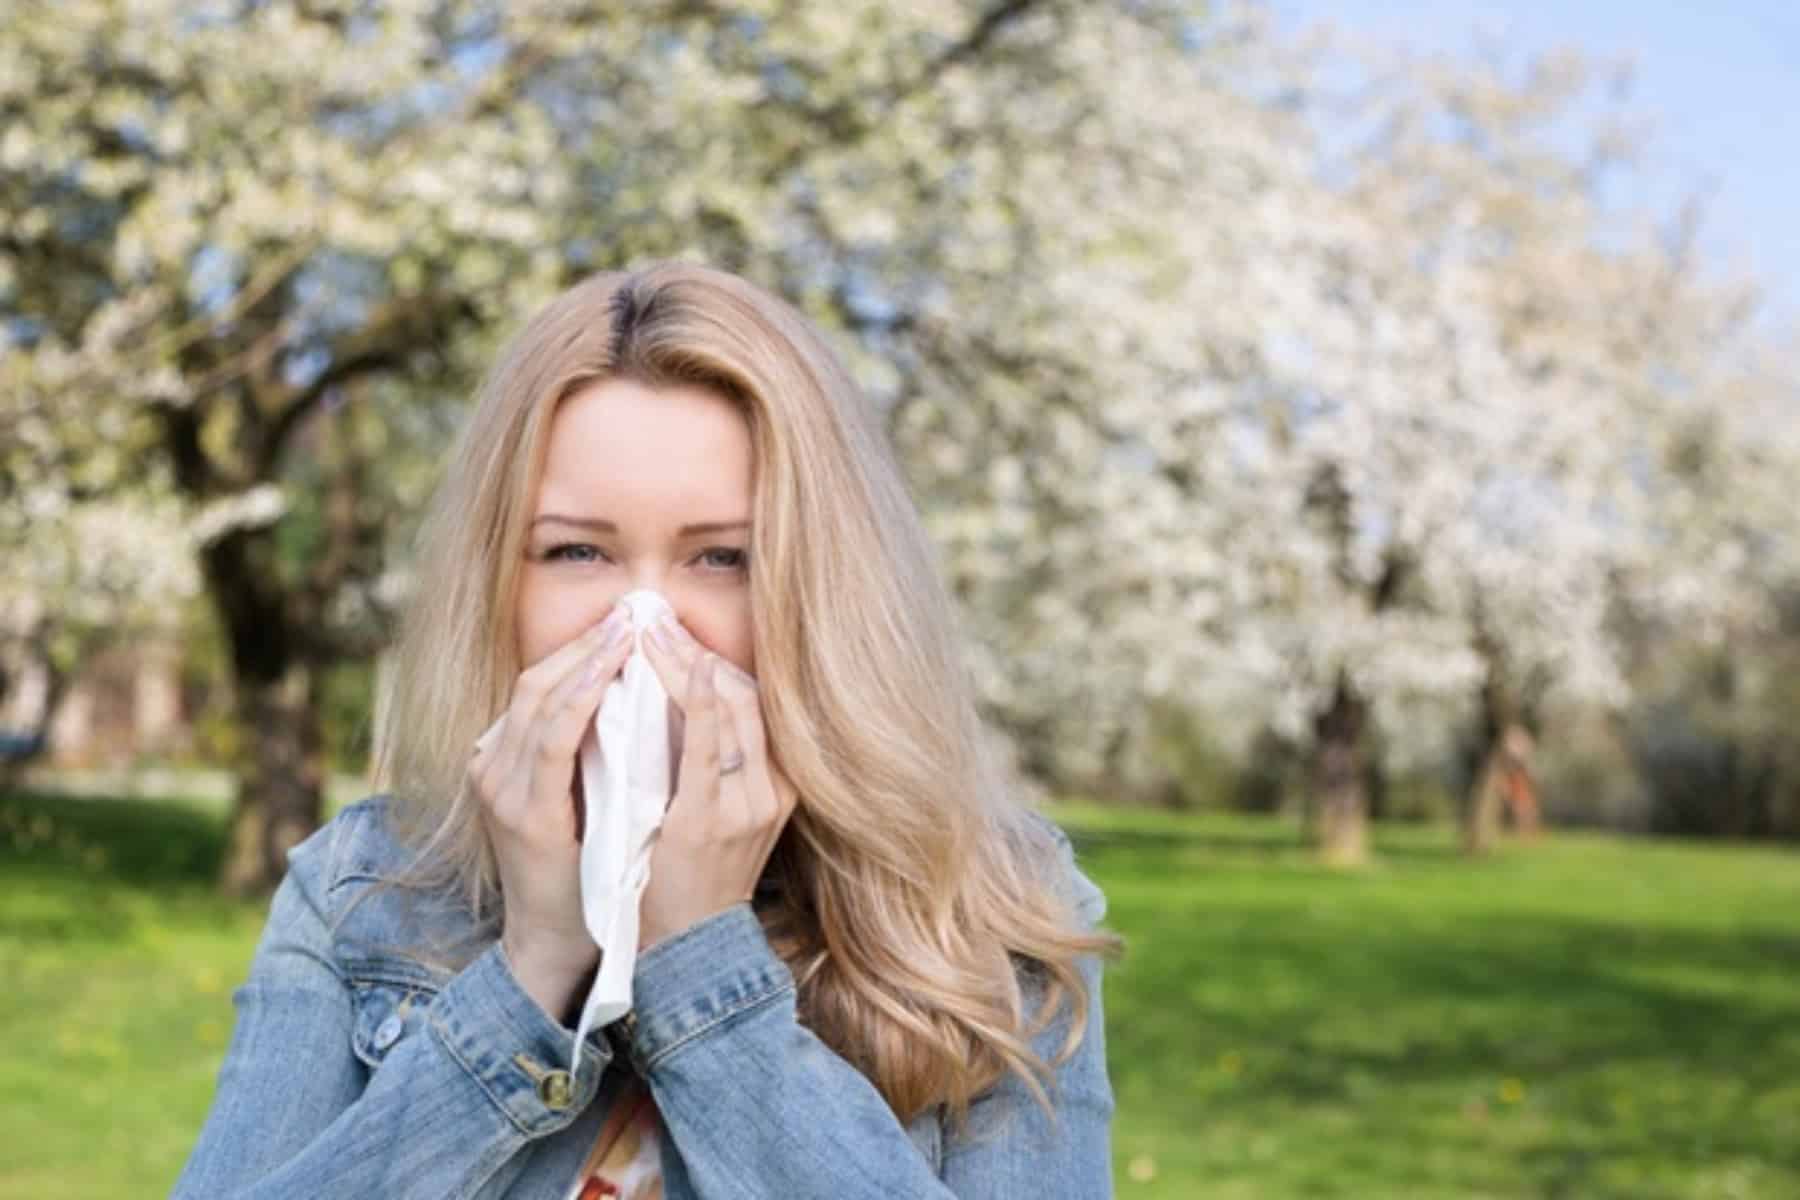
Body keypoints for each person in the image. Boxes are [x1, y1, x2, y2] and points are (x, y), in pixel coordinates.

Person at [171, 261, 1125, 1199]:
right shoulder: (361, 891)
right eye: (576, 551)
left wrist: (700, 967)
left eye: (722, 558)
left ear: (820, 588)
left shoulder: (990, 912)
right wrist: (532, 971)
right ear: (498, 582)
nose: (641, 625)